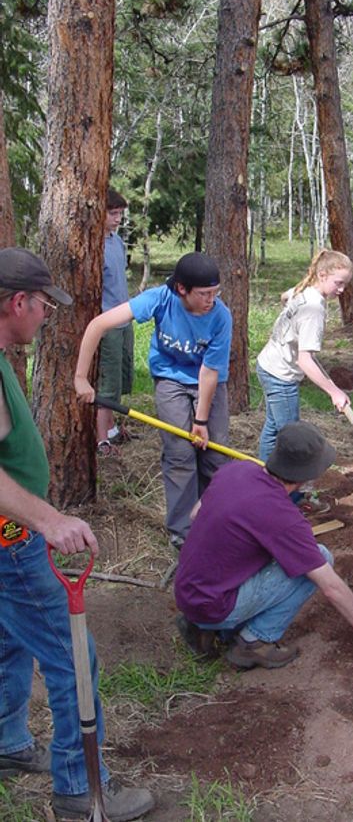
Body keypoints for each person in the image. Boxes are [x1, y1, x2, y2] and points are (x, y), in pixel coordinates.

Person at [0, 247, 154, 820]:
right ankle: (78, 788)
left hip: (9, 538)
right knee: (71, 657)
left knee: (9, 640)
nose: (45, 315)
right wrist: (50, 519)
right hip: (10, 542)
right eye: (42, 305)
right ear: (18, 302)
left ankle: (9, 743)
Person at [174, 420, 353, 674]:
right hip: (212, 605)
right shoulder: (283, 517)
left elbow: (194, 515)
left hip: (188, 591)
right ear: (309, 474)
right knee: (320, 558)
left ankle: (201, 627)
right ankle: (253, 642)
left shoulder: (236, 470)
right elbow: (331, 587)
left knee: (269, 554)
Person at [75, 252, 232, 549]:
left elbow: (210, 371)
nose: (211, 300)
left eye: (216, 292)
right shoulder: (160, 299)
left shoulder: (221, 316)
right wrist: (81, 377)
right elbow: (98, 325)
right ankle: (183, 532)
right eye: (204, 294)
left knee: (215, 454)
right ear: (181, 289)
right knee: (179, 454)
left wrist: (200, 421)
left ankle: (212, 521)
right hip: (170, 381)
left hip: (208, 383)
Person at [256, 249, 352, 513]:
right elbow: (305, 360)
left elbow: (284, 296)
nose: (341, 290)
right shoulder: (314, 309)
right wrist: (334, 391)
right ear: (322, 275)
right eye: (338, 283)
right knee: (294, 441)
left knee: (274, 428)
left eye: (345, 283)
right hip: (281, 376)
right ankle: (295, 499)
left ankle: (264, 485)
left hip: (267, 364)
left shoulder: (304, 290)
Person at [97, 188, 134, 456]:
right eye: (113, 213)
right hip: (107, 322)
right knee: (107, 383)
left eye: (120, 213)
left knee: (122, 377)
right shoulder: (94, 247)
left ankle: (111, 427)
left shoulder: (117, 242)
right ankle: (102, 440)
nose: (118, 218)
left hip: (125, 318)